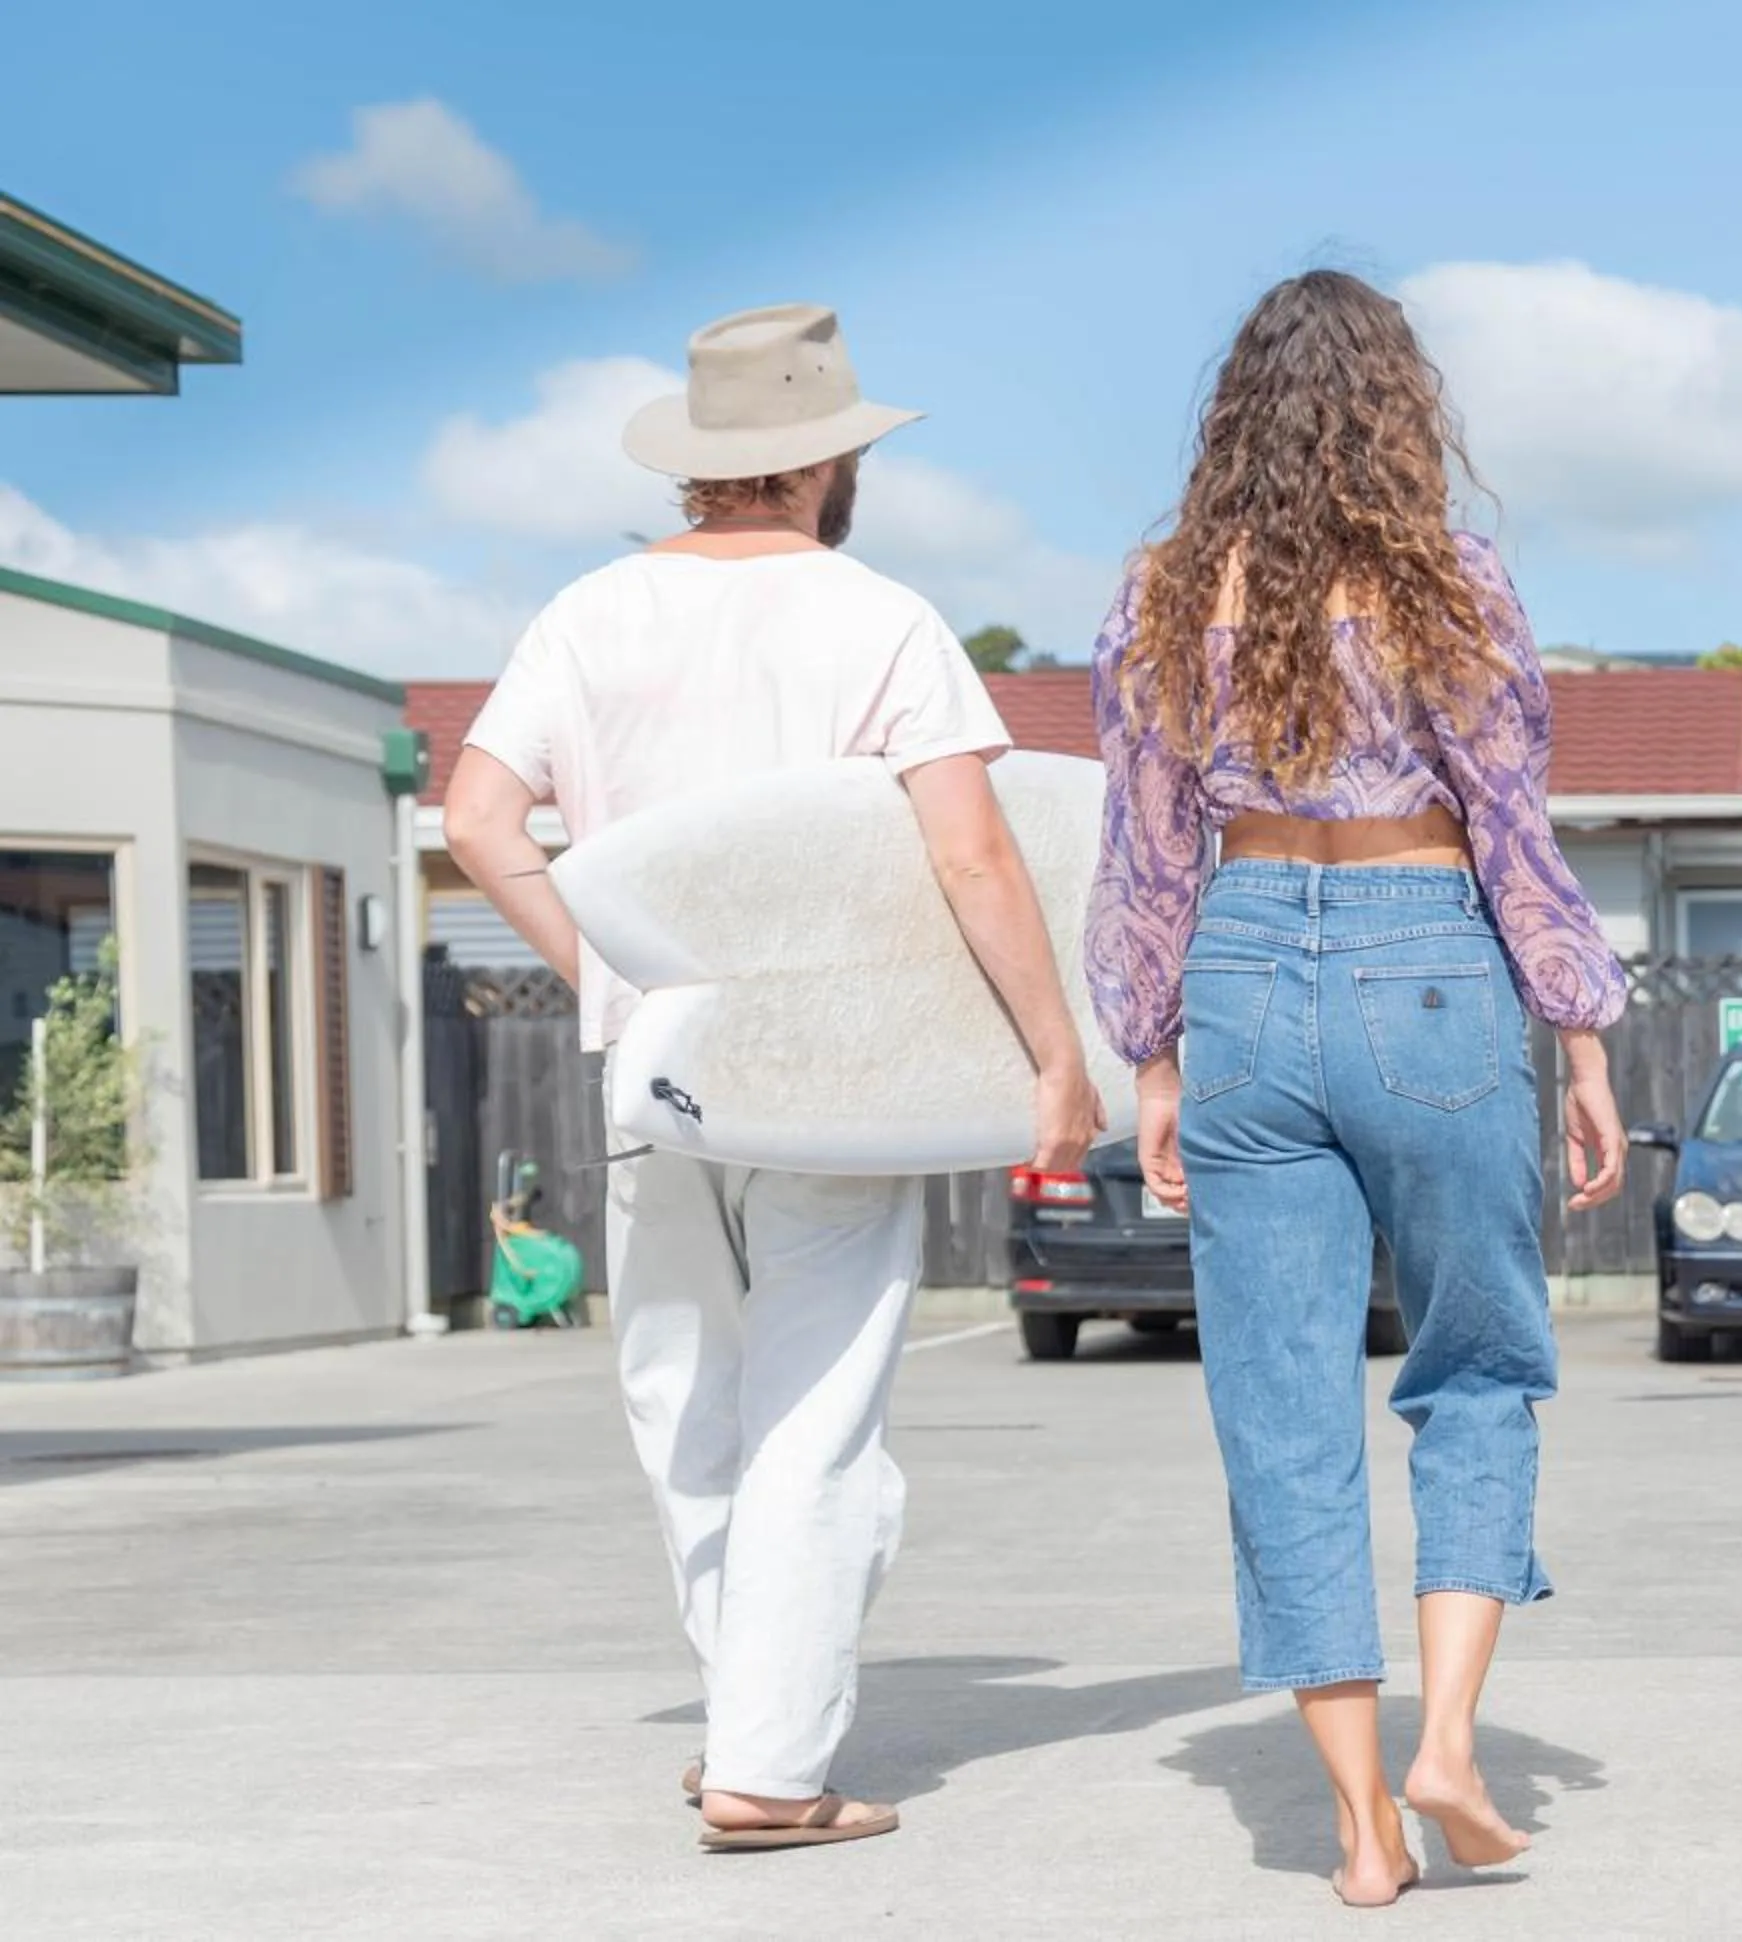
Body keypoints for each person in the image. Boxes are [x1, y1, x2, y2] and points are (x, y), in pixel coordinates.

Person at [445, 303, 1102, 1850]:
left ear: (703, 463)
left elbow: (480, 822)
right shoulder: (878, 618)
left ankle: (747, 1704)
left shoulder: (587, 614)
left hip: (658, 1066)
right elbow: (971, 853)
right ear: (823, 460)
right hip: (835, 1076)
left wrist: (620, 966)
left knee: (686, 1401)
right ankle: (768, 1762)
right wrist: (1055, 1052)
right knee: (817, 1416)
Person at [1086, 269, 1628, 1908]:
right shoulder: (1447, 583)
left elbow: (1145, 844)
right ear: (1400, 414)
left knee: (1283, 1407)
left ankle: (1360, 1827)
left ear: (1235, 417)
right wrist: (1584, 1035)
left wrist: (1155, 1051)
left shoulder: (1170, 591)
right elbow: (1513, 822)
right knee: (1474, 1363)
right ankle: (1448, 1738)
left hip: (1243, 964)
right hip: (1428, 953)